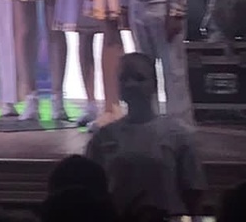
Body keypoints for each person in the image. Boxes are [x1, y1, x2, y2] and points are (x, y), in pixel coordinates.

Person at [84, 52, 204, 217]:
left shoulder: (178, 135)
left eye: (139, 78)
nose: (130, 84)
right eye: (124, 79)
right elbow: (90, 192)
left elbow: (194, 192)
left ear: (155, 85)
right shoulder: (103, 137)